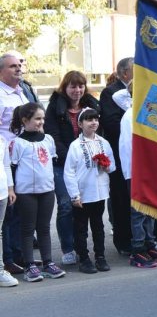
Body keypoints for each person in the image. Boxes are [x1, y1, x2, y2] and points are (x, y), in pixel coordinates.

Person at [43, 71, 101, 267]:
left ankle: (89, 248)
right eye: (72, 86)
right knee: (67, 204)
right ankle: (68, 248)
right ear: (65, 88)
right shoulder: (55, 107)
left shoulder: (92, 105)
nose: (77, 90)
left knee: (88, 204)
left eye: (80, 86)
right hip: (63, 162)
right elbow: (53, 136)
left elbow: (99, 133)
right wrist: (72, 158)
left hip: (88, 164)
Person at [113, 88, 157, 268]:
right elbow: (130, 147)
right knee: (138, 212)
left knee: (150, 209)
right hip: (137, 170)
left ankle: (149, 244)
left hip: (150, 169)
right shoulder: (131, 114)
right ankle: (137, 249)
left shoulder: (147, 111)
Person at [9, 102, 64, 281]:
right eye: (37, 119)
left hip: (47, 190)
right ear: (25, 120)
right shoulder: (17, 143)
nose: (41, 122)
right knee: (27, 228)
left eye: (43, 118)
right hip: (26, 192)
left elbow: (51, 162)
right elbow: (13, 167)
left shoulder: (48, 139)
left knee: (44, 228)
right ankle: (29, 265)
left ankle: (48, 262)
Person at [63, 107, 114, 273]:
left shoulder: (103, 143)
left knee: (98, 226)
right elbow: (69, 172)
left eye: (96, 119)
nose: (94, 122)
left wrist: (106, 166)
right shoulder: (75, 146)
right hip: (83, 194)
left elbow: (113, 166)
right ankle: (84, 258)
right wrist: (74, 194)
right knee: (81, 228)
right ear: (80, 123)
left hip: (99, 193)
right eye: (89, 119)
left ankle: (100, 256)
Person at [1, 52, 37, 273]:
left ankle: (22, 255)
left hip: (26, 157)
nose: (18, 68)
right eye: (13, 66)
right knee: (10, 213)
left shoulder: (22, 91)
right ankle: (9, 258)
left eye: (19, 65)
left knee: (24, 211)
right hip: (7, 160)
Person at [99, 57, 134, 256]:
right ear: (125, 73)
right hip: (120, 154)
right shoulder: (110, 92)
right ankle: (124, 241)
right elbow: (111, 123)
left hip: (139, 155)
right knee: (120, 198)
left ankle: (143, 237)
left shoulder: (143, 89)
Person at [0, 156, 14, 286]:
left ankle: (0, 271)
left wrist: (10, 188)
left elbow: (5, 165)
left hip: (2, 192)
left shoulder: (2, 140)